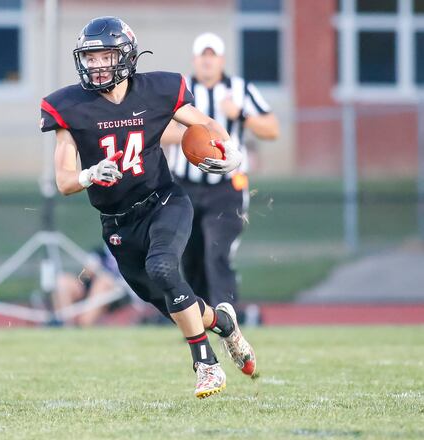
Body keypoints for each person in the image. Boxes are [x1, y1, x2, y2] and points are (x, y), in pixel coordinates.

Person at [40, 16, 257, 399]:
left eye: (105, 56)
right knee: (173, 301)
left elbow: (203, 123)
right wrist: (89, 175)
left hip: (164, 201)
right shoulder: (70, 106)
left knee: (162, 267)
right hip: (118, 224)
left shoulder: (157, 90)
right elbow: (64, 181)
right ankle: (223, 322)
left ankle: (206, 365)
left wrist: (231, 150)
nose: (96, 65)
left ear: (125, 55)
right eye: (90, 58)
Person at [162, 33, 279, 317]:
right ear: (195, 60)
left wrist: (240, 115)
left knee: (218, 251)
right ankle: (198, 317)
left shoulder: (239, 90)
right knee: (189, 255)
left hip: (226, 187)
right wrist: (192, 138)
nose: (207, 61)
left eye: (212, 55)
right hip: (185, 185)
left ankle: (227, 316)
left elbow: (272, 129)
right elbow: (158, 132)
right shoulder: (181, 90)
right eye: (203, 55)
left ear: (222, 60)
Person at [52, 244, 131, 326]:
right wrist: (85, 274)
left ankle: (84, 324)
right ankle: (66, 324)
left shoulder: (129, 253)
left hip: (117, 294)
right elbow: (82, 277)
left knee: (104, 281)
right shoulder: (99, 253)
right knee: (63, 280)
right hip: (89, 289)